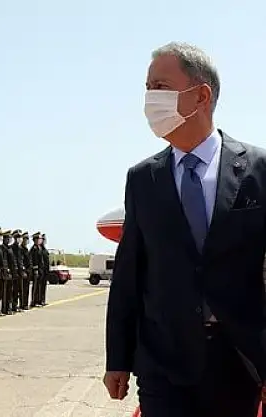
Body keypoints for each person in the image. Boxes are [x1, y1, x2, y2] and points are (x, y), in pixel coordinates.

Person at [104, 41, 266, 417]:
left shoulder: (259, 170)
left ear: (201, 96)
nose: (149, 98)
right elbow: (129, 276)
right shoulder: (143, 178)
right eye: (148, 88)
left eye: (160, 87)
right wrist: (118, 359)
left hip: (239, 361)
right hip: (163, 362)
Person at [18, 231, 32, 310]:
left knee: (26, 289)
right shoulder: (21, 249)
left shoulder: (27, 249)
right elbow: (21, 261)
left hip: (28, 271)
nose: (26, 240)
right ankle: (22, 304)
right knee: (22, 289)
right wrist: (23, 271)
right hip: (24, 271)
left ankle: (25, 304)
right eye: (25, 239)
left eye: (27, 239)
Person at [29, 232, 44, 308]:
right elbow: (32, 260)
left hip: (40, 270)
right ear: (35, 240)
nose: (41, 240)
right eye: (39, 239)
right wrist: (35, 269)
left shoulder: (39, 248)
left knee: (39, 286)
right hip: (36, 270)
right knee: (35, 287)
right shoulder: (34, 249)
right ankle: (33, 301)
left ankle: (38, 300)